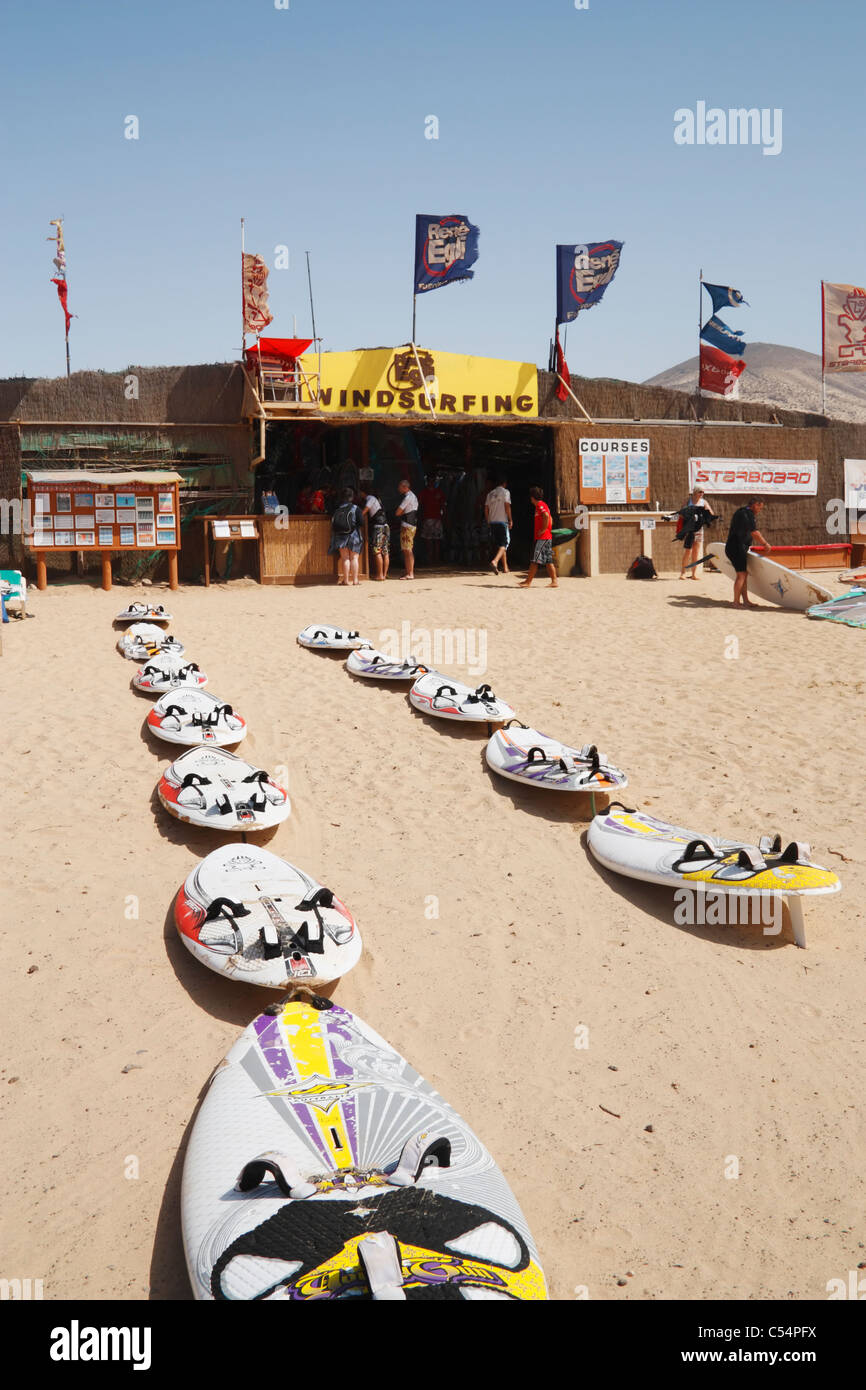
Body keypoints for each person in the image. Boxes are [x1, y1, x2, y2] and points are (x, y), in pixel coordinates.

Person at [725, 497, 771, 607]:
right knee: (741, 575)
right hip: (736, 548)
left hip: (736, 547)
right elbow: (754, 532)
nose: (760, 510)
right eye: (760, 507)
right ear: (755, 504)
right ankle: (736, 602)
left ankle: (745, 601)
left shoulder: (741, 511)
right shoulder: (747, 514)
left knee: (743, 574)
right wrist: (765, 544)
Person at [519, 487, 558, 588]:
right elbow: (551, 518)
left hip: (543, 538)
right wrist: (548, 528)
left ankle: (528, 582)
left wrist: (544, 529)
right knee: (548, 561)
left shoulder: (540, 505)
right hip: (546, 537)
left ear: (532, 497)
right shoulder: (543, 505)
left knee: (535, 560)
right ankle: (554, 581)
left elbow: (546, 515)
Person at [676, 486, 717, 579]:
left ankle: (694, 574)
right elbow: (681, 513)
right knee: (688, 551)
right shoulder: (688, 501)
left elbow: (711, 513)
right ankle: (683, 573)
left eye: (703, 492)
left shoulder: (704, 502)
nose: (701, 493)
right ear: (695, 492)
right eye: (700, 492)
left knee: (696, 552)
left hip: (699, 529)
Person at [329, 487, 364, 586]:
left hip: (340, 536)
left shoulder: (338, 509)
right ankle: (355, 580)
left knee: (345, 558)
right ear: (352, 497)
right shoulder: (356, 508)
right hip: (354, 535)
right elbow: (361, 522)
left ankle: (346, 580)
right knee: (354, 558)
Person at [485, 474, 513, 575]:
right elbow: (507, 506)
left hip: (493, 522)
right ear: (504, 484)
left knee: (500, 544)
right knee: (505, 544)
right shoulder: (506, 492)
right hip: (502, 521)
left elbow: (486, 509)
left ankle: (505, 568)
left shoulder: (490, 494)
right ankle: (495, 561)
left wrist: (488, 521)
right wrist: (510, 519)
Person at [418, 475, 447, 566]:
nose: (431, 482)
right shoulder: (424, 492)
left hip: (437, 519)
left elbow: (444, 506)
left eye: (432, 481)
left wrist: (445, 517)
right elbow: (420, 506)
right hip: (427, 519)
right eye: (430, 481)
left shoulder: (439, 492)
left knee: (436, 540)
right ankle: (430, 559)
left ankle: (436, 559)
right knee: (429, 541)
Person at [395, 479, 419, 580]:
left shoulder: (408, 497)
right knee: (406, 549)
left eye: (399, 487)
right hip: (411, 524)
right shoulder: (412, 496)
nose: (398, 489)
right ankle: (409, 571)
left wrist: (401, 512)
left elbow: (398, 512)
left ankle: (410, 573)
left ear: (405, 487)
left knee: (408, 549)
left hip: (407, 525)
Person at [363, 492, 390, 581]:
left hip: (378, 527)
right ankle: (384, 575)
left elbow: (364, 512)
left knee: (377, 551)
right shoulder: (378, 500)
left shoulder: (370, 499)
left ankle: (380, 575)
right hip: (386, 526)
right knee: (385, 551)